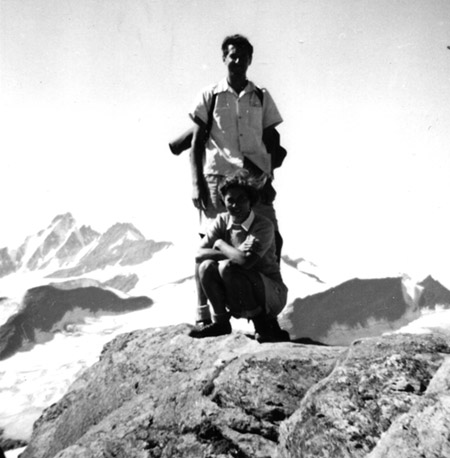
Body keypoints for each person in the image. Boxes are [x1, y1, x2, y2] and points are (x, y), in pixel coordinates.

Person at [189, 34, 285, 329]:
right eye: (232, 55)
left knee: (271, 240)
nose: (238, 61)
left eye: (243, 56)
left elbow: (273, 141)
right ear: (224, 58)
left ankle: (264, 314)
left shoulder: (261, 96)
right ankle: (205, 314)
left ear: (250, 60)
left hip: (254, 179)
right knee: (211, 243)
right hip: (219, 179)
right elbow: (195, 142)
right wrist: (196, 183)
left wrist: (268, 175)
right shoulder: (211, 95)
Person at [188, 171, 288, 342]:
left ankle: (262, 324)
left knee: (228, 267)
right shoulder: (222, 221)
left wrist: (219, 244)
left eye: (241, 199)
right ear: (223, 201)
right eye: (230, 200)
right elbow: (199, 255)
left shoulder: (262, 225)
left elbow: (245, 261)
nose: (235, 205)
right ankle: (220, 322)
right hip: (237, 287)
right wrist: (231, 253)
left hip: (271, 294)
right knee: (206, 267)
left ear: (250, 201)